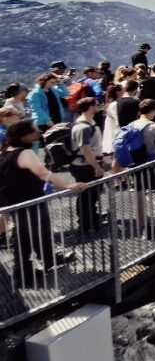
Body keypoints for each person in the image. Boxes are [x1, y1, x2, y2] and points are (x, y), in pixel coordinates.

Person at [1, 120, 86, 289]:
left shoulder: (4, 153)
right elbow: (43, 173)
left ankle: (39, 263)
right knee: (33, 233)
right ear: (24, 136)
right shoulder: (25, 153)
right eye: (34, 131)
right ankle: (23, 273)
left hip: (13, 201)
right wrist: (68, 185)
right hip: (30, 200)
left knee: (24, 233)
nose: (38, 132)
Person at [127, 99, 155, 236]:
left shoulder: (131, 125)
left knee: (140, 193)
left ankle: (142, 223)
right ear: (153, 111)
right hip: (153, 164)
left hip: (136, 165)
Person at [69, 97, 105, 232]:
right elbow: (85, 149)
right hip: (85, 166)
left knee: (91, 195)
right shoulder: (83, 126)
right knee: (86, 196)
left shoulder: (89, 122)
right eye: (97, 105)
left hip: (87, 164)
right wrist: (97, 167)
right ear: (90, 107)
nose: (99, 106)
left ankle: (91, 219)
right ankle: (86, 224)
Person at [102, 83, 123, 160]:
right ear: (118, 92)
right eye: (122, 90)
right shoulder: (114, 104)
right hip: (115, 130)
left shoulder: (111, 103)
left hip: (112, 128)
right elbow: (117, 119)